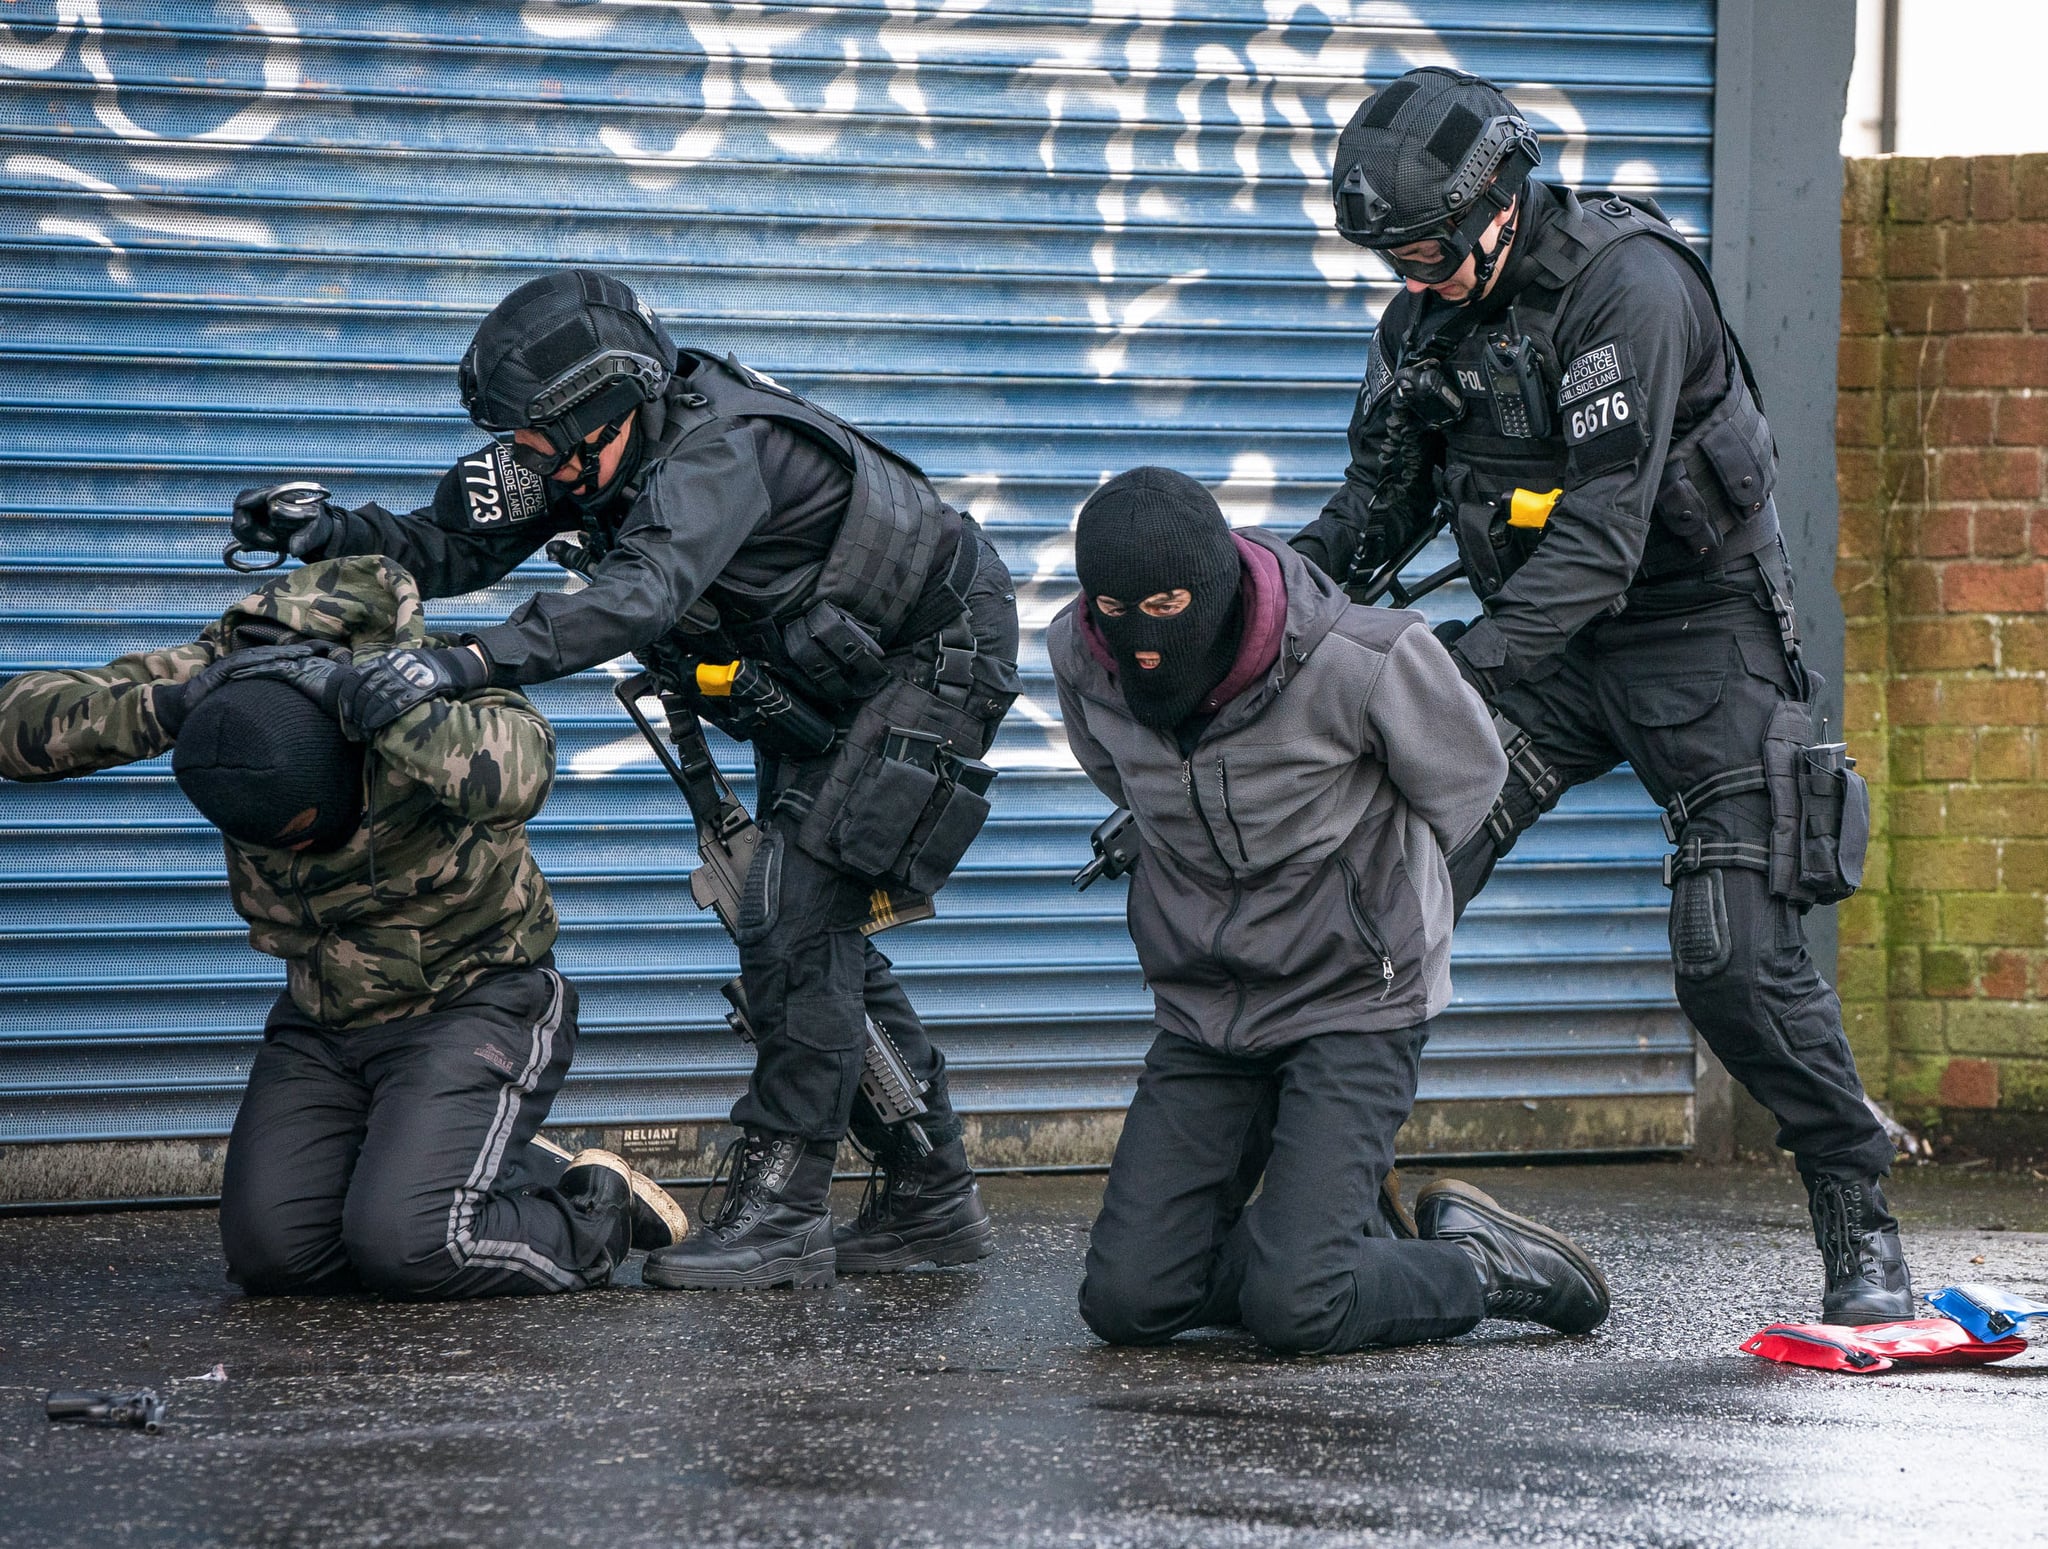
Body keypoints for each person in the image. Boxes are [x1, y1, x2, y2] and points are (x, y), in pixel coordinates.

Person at [225, 270, 1021, 1290]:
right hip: (830, 663)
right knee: (796, 919)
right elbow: (454, 544)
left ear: (600, 413)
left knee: (793, 914)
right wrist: (334, 534)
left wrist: (467, 663)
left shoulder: (715, 453)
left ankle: (782, 1206)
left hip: (933, 654)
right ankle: (929, 1197)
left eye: (532, 437)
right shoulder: (588, 452)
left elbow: (638, 595)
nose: (518, 457)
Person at [1291, 66, 1909, 1324]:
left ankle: (1859, 1211)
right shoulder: (1423, 321)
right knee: (1381, 884)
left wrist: (1436, 680)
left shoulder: (1624, 288)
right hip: (1549, 651)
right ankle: (1325, 1205)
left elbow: (1599, 542)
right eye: (1389, 257)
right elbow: (1371, 513)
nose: (1409, 276)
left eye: (1423, 248)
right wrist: (1261, 621)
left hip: (1694, 632)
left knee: (1730, 955)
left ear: (1498, 204)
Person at [0, 557, 685, 1298]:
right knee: (274, 1258)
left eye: (303, 830)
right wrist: (169, 706)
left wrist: (399, 711)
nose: (289, 851)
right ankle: (471, 1159)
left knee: (413, 1249)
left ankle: (594, 1212)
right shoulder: (228, 676)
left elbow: (520, 774)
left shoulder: (424, 677)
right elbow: (14, 723)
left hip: (476, 998)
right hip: (323, 1020)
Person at [1053, 466, 1609, 1354]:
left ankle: (1480, 1263)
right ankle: (1324, 1253)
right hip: (1208, 1007)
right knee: (1127, 1301)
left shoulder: (1362, 659)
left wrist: (1363, 904)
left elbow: (1470, 784)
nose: (1142, 639)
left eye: (1166, 602)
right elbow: (1124, 781)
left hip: (1353, 998)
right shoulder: (1082, 660)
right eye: (1117, 611)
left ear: (1219, 583)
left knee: (1297, 1306)